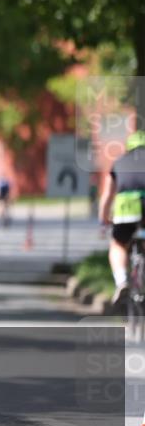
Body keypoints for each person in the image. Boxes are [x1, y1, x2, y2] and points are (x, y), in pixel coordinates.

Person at [98, 130, 145, 307]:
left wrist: (103, 220)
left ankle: (122, 281)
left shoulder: (118, 162)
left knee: (118, 245)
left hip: (126, 211)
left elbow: (107, 196)